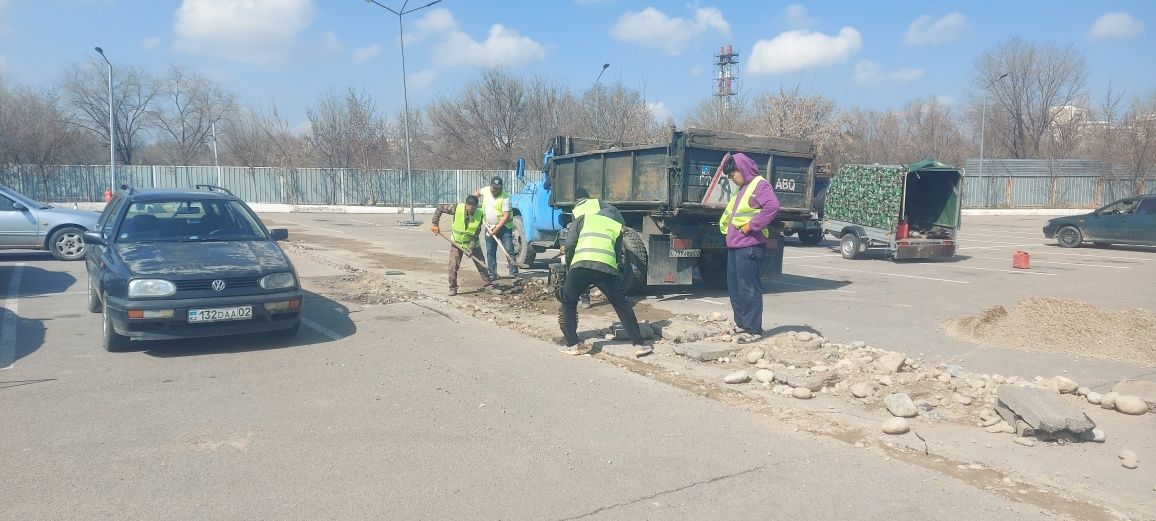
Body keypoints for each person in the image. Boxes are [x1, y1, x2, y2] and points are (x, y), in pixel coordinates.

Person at [558, 203, 649, 357]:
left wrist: (569, 264)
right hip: (606, 268)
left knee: (568, 302)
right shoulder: (616, 225)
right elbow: (618, 253)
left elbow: (571, 243)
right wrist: (613, 272)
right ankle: (639, 345)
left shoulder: (583, 219)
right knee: (621, 304)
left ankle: (572, 345)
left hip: (581, 265)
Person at [718, 152, 779, 340]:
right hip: (736, 245)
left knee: (749, 287)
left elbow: (773, 206)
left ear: (742, 170)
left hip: (750, 246)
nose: (732, 180)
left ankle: (754, 329)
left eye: (733, 175)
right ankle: (743, 324)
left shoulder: (759, 185)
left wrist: (751, 225)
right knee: (735, 287)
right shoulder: (743, 188)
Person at [431, 195, 494, 296]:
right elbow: (439, 208)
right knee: (453, 266)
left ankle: (488, 285)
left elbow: (475, 234)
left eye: (473, 208)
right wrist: (435, 224)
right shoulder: (456, 208)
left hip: (473, 243)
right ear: (465, 204)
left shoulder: (479, 214)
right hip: (457, 243)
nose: (470, 210)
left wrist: (470, 249)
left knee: (481, 264)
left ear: (476, 206)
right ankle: (453, 287)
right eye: (469, 207)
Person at [473, 176, 518, 281]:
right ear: (491, 186)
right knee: (490, 251)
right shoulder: (486, 190)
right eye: (494, 188)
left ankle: (513, 273)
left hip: (504, 227)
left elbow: (506, 216)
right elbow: (477, 193)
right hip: (489, 226)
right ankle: (492, 273)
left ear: (501, 187)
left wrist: (497, 229)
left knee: (509, 249)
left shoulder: (505, 197)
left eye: (498, 188)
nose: (495, 190)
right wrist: (473, 200)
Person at [570, 188, 600, 308]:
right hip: (601, 240)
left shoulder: (576, 210)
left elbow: (575, 232)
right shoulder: (597, 203)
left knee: (583, 270)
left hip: (586, 243)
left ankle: (585, 299)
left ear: (577, 199)